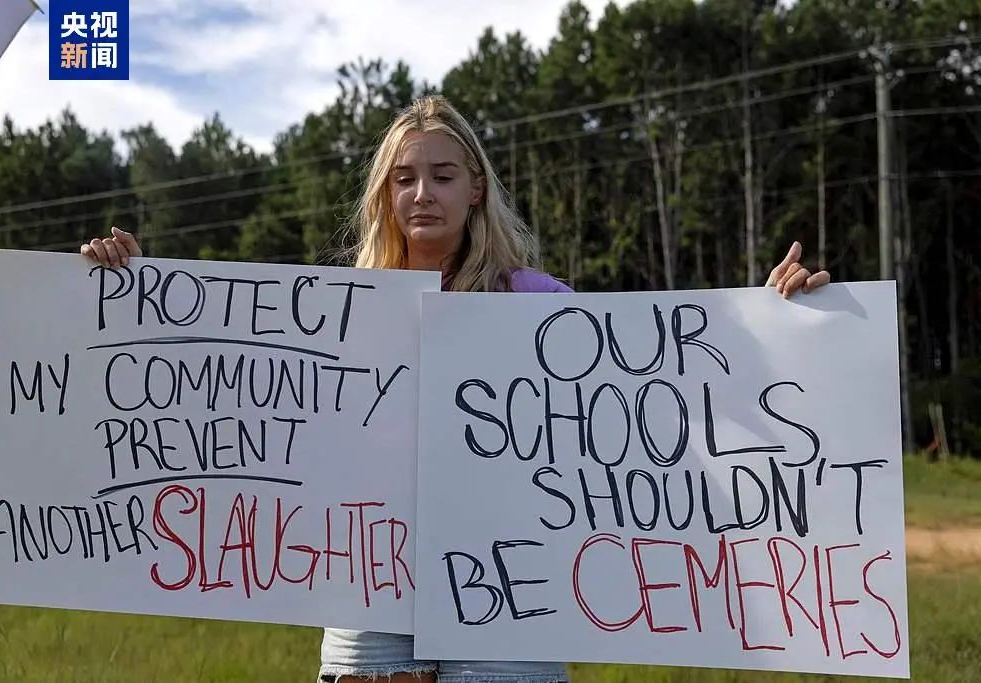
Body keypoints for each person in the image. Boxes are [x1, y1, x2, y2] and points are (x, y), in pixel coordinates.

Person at [81, 95, 829, 682]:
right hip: (369, 575)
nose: (422, 194)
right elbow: (225, 386)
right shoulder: (336, 311)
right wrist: (143, 288)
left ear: (475, 188)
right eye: (403, 178)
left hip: (511, 577)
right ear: (383, 195)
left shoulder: (533, 297)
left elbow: (655, 375)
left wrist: (766, 316)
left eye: (441, 175)